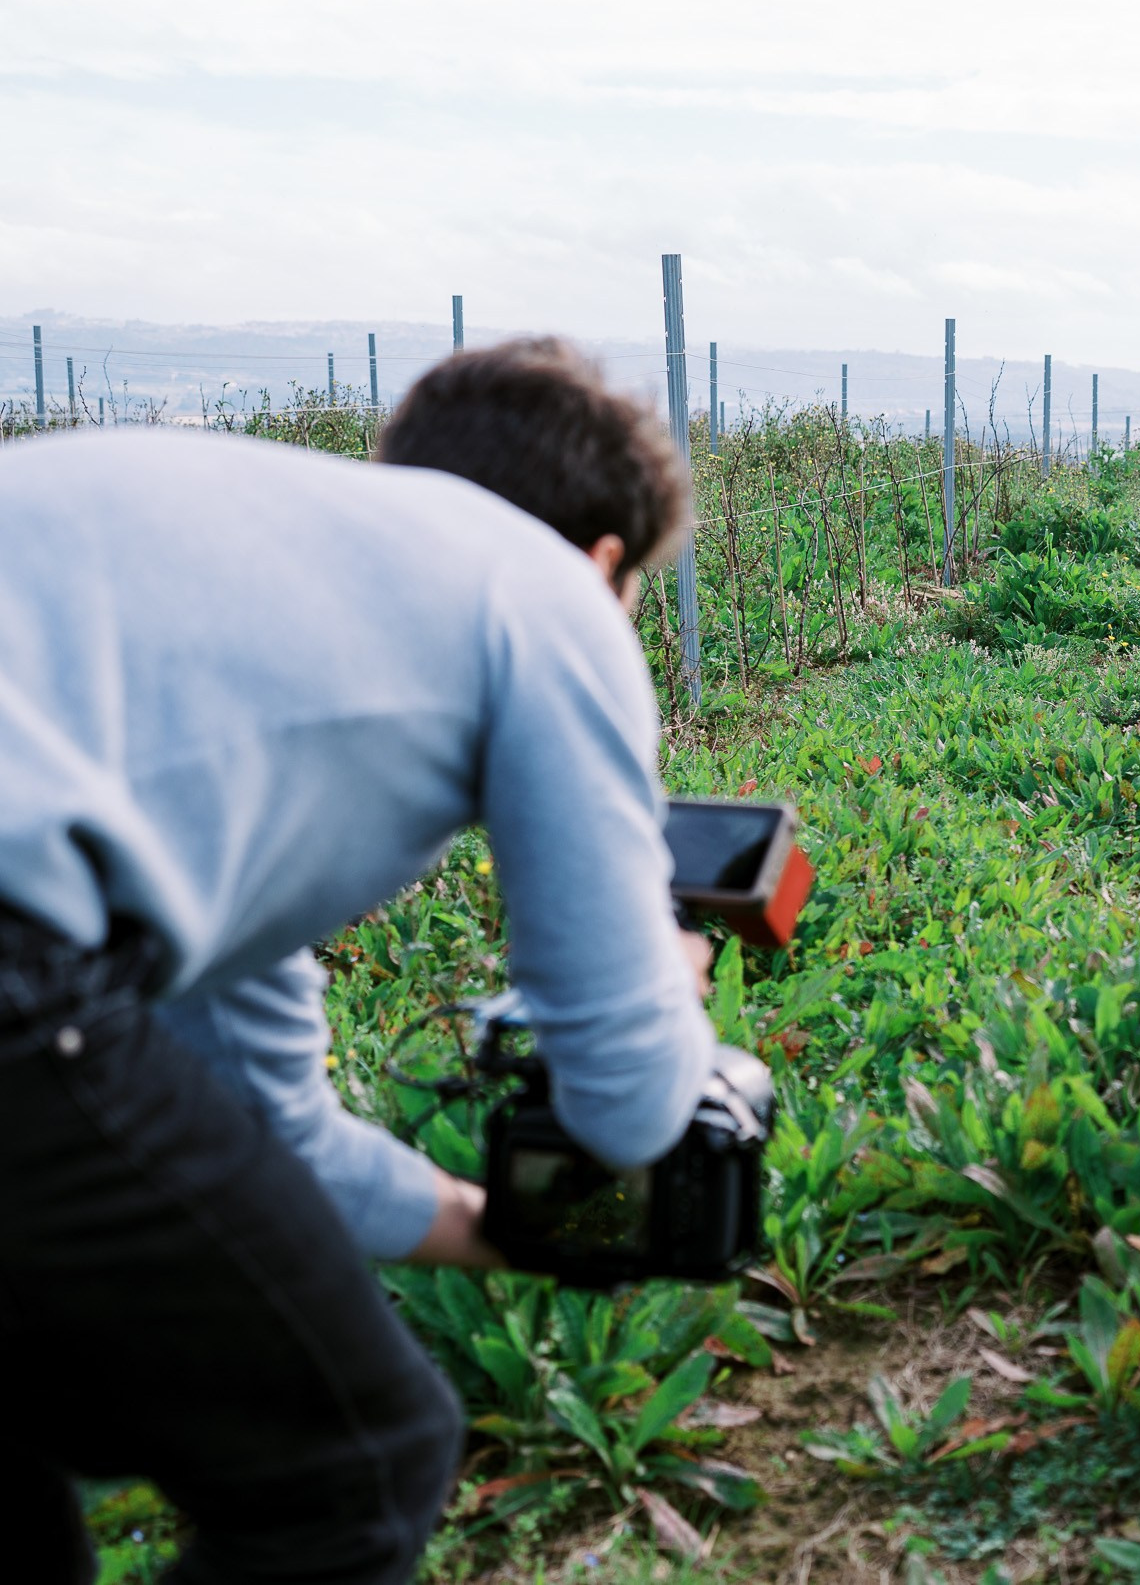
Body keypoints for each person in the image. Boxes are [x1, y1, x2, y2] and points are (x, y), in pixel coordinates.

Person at [0, 339, 717, 1583]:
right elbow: (626, 1092)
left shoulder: (236, 602)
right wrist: (667, 984)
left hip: (42, 928)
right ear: (606, 562)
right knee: (357, 1469)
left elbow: (268, 1125)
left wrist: (501, 1228)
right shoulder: (544, 592)